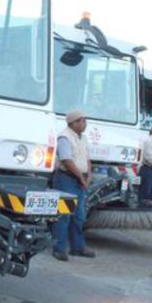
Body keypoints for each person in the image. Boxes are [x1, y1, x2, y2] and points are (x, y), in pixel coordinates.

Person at [51, 109, 96, 261]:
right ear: (73, 122)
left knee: (79, 216)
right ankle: (59, 248)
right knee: (64, 215)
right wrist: (81, 177)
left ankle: (77, 247)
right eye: (82, 121)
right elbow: (66, 160)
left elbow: (87, 159)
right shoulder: (65, 137)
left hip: (79, 179)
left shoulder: (82, 138)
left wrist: (88, 175)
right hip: (67, 178)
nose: (85, 124)